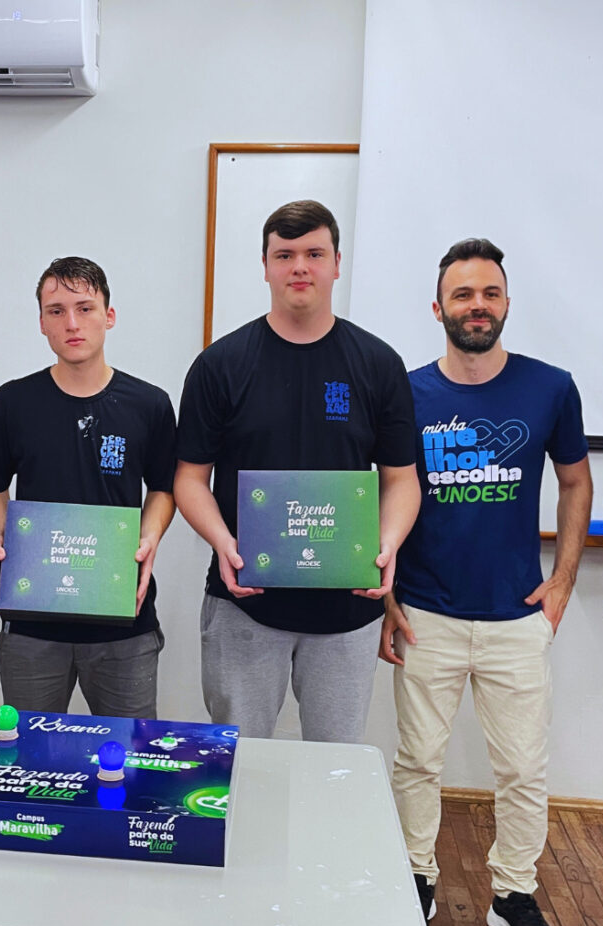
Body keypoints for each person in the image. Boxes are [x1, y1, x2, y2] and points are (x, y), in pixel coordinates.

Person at [379, 239, 591, 926]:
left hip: (515, 618)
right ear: (438, 308)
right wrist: (387, 597)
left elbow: (575, 482)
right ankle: (416, 879)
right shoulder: (405, 392)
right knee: (417, 762)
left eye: (489, 293)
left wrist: (562, 580)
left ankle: (514, 895)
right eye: (463, 294)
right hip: (425, 612)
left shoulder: (550, 388)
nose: (477, 306)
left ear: (505, 303)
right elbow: (386, 494)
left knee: (523, 769)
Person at [0, 256, 179, 926]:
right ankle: (13, 911)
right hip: (33, 623)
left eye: (85, 308)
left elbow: (165, 488)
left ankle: (140, 918)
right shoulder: (16, 400)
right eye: (56, 310)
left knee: (130, 770)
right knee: (28, 766)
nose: (72, 322)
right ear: (41, 321)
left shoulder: (149, 403)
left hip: (124, 623)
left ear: (109, 316)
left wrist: (150, 536)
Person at [175, 199, 421, 741]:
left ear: (337, 264)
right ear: (265, 266)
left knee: (335, 766)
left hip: (347, 610)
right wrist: (223, 543)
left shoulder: (379, 364)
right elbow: (190, 479)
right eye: (284, 255)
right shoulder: (220, 365)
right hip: (244, 602)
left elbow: (402, 480)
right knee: (238, 762)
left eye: (314, 253)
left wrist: (386, 546)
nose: (299, 267)